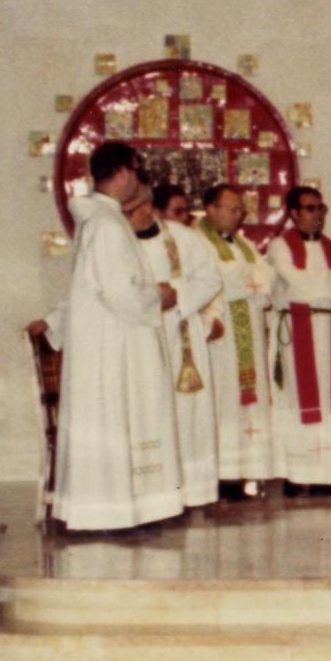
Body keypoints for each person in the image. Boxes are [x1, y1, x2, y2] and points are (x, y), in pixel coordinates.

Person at [42, 143, 185, 530]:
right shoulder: (105, 225)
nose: (139, 182)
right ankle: (107, 512)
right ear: (123, 171)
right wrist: (161, 295)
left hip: (114, 340)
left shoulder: (104, 221)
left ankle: (124, 509)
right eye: (137, 173)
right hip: (113, 347)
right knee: (114, 418)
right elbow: (120, 292)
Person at [133, 183, 222, 509]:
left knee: (187, 410)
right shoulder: (122, 240)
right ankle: (154, 492)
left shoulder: (183, 238)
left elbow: (211, 278)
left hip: (182, 333)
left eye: (144, 205)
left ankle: (191, 490)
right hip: (141, 335)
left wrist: (175, 298)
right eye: (134, 207)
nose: (141, 213)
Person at [269, 185, 331, 494]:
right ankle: (297, 474)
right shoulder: (281, 245)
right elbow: (296, 282)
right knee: (297, 399)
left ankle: (327, 474)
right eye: (310, 208)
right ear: (293, 213)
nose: (317, 214)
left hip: (329, 328)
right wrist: (329, 282)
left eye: (321, 207)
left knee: (330, 401)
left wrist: (326, 286)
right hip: (298, 328)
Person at [196, 184, 278, 499]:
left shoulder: (244, 244)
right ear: (211, 209)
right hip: (221, 334)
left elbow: (265, 277)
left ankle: (248, 472)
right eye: (232, 208)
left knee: (248, 400)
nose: (238, 214)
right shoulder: (199, 242)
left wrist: (243, 278)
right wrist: (247, 279)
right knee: (223, 400)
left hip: (248, 332)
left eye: (240, 209)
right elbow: (221, 278)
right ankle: (221, 475)